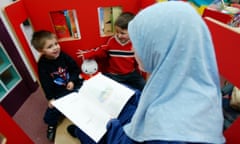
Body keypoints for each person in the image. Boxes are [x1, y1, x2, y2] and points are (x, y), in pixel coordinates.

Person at [75, 1, 226, 144]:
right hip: (141, 122)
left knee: (83, 129)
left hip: (125, 134)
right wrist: (129, 95)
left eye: (139, 42)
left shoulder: (166, 129)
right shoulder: (194, 84)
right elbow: (150, 100)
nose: (133, 49)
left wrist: (110, 123)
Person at [31, 30, 83, 141]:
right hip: (59, 92)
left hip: (73, 85)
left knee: (85, 90)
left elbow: (75, 69)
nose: (55, 48)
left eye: (56, 44)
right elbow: (46, 83)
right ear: (41, 51)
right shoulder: (43, 65)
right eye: (50, 47)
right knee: (53, 108)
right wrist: (50, 98)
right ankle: (51, 124)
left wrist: (72, 81)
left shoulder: (63, 56)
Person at [76, 12, 146, 91]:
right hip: (114, 74)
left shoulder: (134, 43)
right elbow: (101, 50)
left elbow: (138, 62)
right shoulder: (112, 41)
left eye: (123, 33)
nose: (119, 35)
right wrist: (87, 54)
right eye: (117, 32)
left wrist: (139, 72)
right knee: (107, 87)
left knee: (144, 85)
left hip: (131, 74)